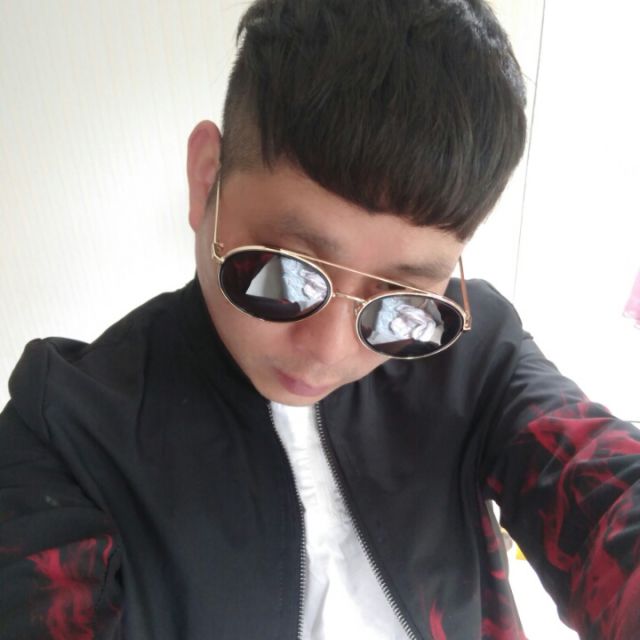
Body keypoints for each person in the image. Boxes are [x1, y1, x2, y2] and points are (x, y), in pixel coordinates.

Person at [1, 0, 639, 638]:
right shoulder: (63, 431)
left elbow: (604, 493)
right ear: (206, 179)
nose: (328, 352)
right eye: (285, 271)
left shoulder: (473, 350)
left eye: (400, 297)